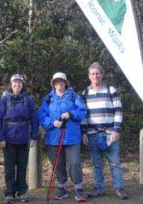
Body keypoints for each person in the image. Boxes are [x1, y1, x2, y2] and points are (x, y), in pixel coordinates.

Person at [81, 62, 128, 200]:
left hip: (109, 133)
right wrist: (84, 132)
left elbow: (118, 111)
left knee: (114, 162)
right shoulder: (85, 93)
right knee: (96, 164)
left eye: (97, 73)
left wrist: (116, 130)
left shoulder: (110, 90)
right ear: (89, 76)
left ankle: (119, 188)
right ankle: (98, 188)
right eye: (92, 74)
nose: (95, 76)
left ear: (102, 74)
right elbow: (83, 115)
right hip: (92, 134)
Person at [38, 72, 87, 202]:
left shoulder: (74, 96)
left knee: (74, 163)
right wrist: (52, 123)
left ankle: (79, 188)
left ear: (66, 83)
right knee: (57, 164)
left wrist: (71, 113)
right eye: (56, 81)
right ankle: (61, 188)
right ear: (53, 83)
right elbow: (42, 116)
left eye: (61, 81)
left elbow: (82, 111)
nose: (59, 83)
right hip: (54, 137)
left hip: (71, 136)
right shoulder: (48, 99)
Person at [0, 74, 39, 203]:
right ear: (11, 84)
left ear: (22, 85)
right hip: (8, 139)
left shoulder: (28, 100)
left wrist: (34, 136)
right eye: (15, 82)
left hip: (24, 138)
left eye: (20, 83)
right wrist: (0, 137)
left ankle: (22, 192)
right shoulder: (4, 100)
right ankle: (9, 193)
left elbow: (34, 119)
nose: (17, 85)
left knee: (22, 166)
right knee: (9, 168)